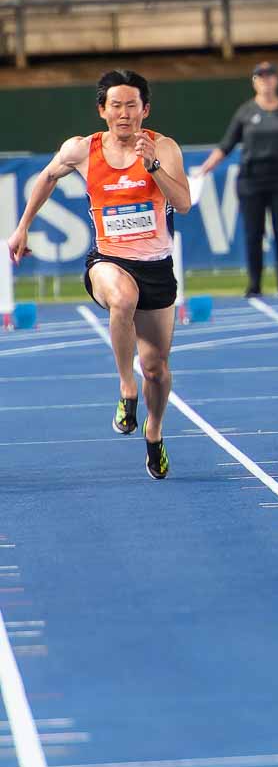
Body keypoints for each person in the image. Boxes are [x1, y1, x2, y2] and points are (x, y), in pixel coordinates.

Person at [7, 70, 192, 479]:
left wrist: (155, 166)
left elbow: (183, 204)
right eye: (116, 106)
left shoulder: (164, 148)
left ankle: (155, 430)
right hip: (108, 262)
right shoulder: (81, 150)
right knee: (121, 299)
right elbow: (47, 176)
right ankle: (127, 387)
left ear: (145, 109)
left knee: (158, 369)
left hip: (157, 268)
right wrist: (23, 226)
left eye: (131, 106)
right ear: (102, 111)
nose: (124, 114)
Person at [194, 60, 278, 298]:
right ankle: (254, 284)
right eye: (260, 77)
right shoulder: (246, 112)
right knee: (253, 233)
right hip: (251, 179)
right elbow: (227, 144)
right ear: (254, 81)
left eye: (270, 76)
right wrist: (205, 168)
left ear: (277, 80)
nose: (266, 81)